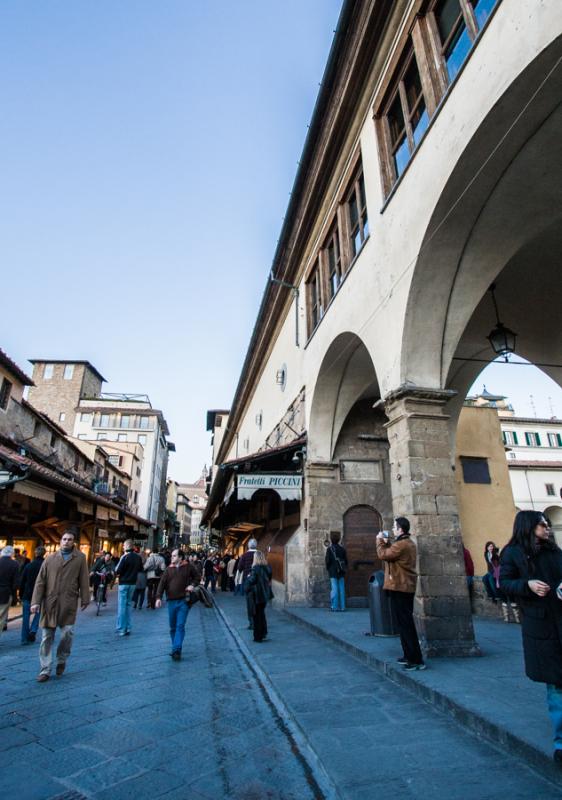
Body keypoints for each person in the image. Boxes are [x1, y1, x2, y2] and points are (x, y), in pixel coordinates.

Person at [500, 510, 562, 763]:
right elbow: (504, 583)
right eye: (542, 525)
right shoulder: (512, 553)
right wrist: (527, 585)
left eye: (547, 524)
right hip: (541, 626)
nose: (547, 528)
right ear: (528, 527)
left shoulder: (554, 551)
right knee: (556, 685)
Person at [30, 530, 90, 682]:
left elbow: (84, 579)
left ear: (73, 542)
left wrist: (85, 598)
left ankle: (62, 659)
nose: (66, 542)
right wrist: (35, 601)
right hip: (50, 603)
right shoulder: (50, 559)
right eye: (64, 539)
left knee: (67, 634)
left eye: (69, 539)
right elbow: (40, 581)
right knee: (46, 637)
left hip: (68, 602)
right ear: (60, 541)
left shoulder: (80, 558)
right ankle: (45, 669)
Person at [376, 517, 426, 671]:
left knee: (406, 624)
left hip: (401, 587)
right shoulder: (405, 543)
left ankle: (416, 659)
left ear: (400, 529)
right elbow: (392, 553)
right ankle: (408, 655)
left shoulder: (403, 544)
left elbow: (384, 555)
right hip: (402, 586)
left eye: (394, 527)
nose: (392, 529)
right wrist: (387, 543)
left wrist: (379, 541)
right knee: (403, 623)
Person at [155, 548, 200, 660]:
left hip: (183, 601)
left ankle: (176, 650)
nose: (172, 558)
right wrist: (158, 597)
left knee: (180, 625)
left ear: (180, 557)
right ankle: (175, 646)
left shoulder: (188, 567)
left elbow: (197, 577)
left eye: (174, 556)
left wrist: (192, 585)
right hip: (171, 602)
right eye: (172, 556)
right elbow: (162, 584)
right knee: (173, 627)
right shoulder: (168, 569)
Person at [114, 539, 143, 636]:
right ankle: (128, 628)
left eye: (123, 546)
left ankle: (121, 628)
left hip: (123, 583)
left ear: (127, 546)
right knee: (128, 605)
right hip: (133, 584)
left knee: (122, 606)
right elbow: (140, 569)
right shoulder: (138, 557)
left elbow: (117, 570)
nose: (122, 547)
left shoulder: (125, 557)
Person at [19, 545, 46, 644]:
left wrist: (21, 594)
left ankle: (24, 638)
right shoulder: (45, 566)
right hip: (40, 594)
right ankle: (33, 630)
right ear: (44, 553)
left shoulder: (28, 565)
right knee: (38, 614)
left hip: (28, 593)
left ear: (35, 553)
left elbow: (22, 581)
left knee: (25, 617)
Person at [245, 550, 273, 642]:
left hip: (257, 595)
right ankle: (263, 632)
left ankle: (258, 636)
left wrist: (248, 578)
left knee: (256, 616)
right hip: (264, 595)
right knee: (262, 614)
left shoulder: (255, 569)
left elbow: (251, 581)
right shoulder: (267, 568)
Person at [237, 538, 258, 628]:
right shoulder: (259, 554)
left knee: (250, 603)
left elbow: (240, 567)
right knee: (258, 602)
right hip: (258, 581)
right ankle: (258, 621)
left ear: (248, 546)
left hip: (248, 582)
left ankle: (252, 622)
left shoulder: (245, 555)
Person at [325, 531, 348, 612]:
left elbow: (327, 561)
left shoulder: (329, 549)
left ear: (331, 540)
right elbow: (345, 561)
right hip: (341, 571)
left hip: (333, 571)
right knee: (342, 589)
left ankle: (335, 607)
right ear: (338, 540)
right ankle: (343, 607)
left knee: (334, 589)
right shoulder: (342, 549)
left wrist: (328, 568)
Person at [0, 546, 19, 639]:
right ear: (12, 554)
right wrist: (14, 596)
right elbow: (15, 583)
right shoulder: (14, 564)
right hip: (5, 593)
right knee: (1, 617)